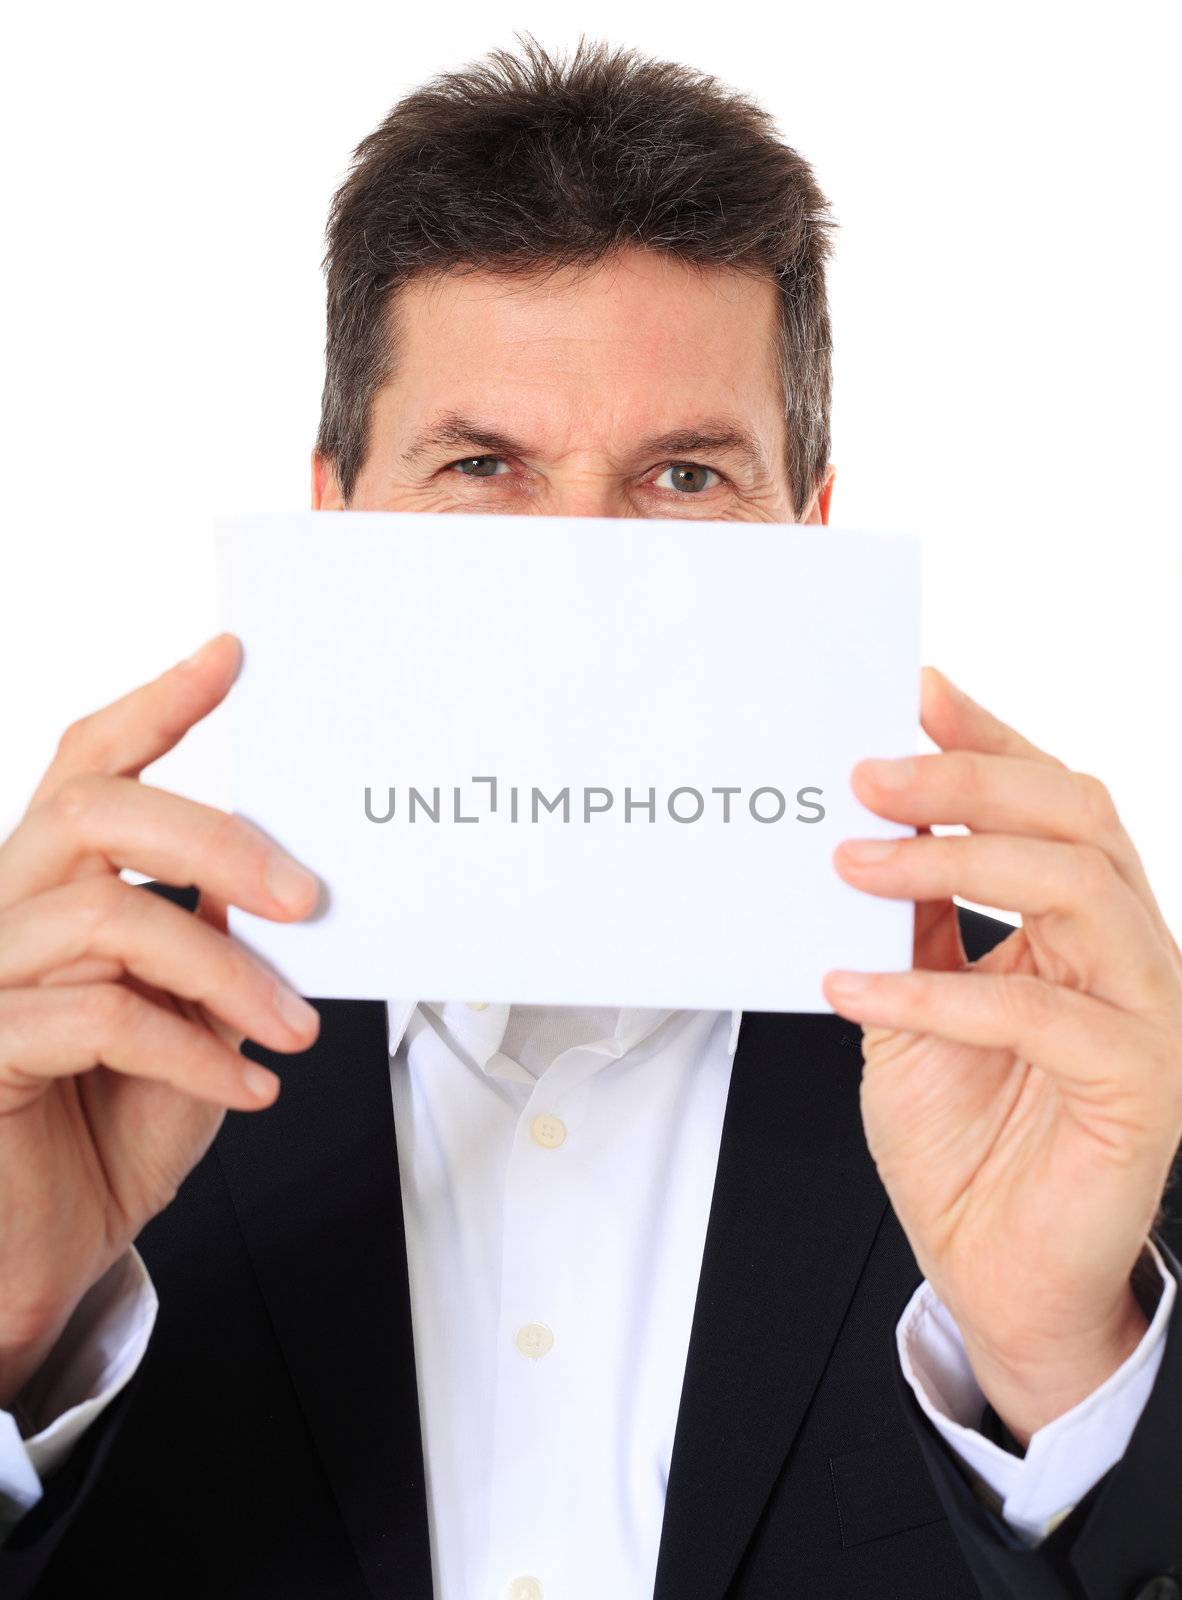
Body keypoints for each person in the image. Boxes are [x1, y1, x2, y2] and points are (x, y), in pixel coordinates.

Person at [1, 35, 1179, 1600]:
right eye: (479, 465)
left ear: (809, 538)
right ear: (334, 519)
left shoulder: (1042, 1078)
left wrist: (1055, 1364)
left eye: (685, 478)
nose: (576, 583)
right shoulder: (74, 1044)